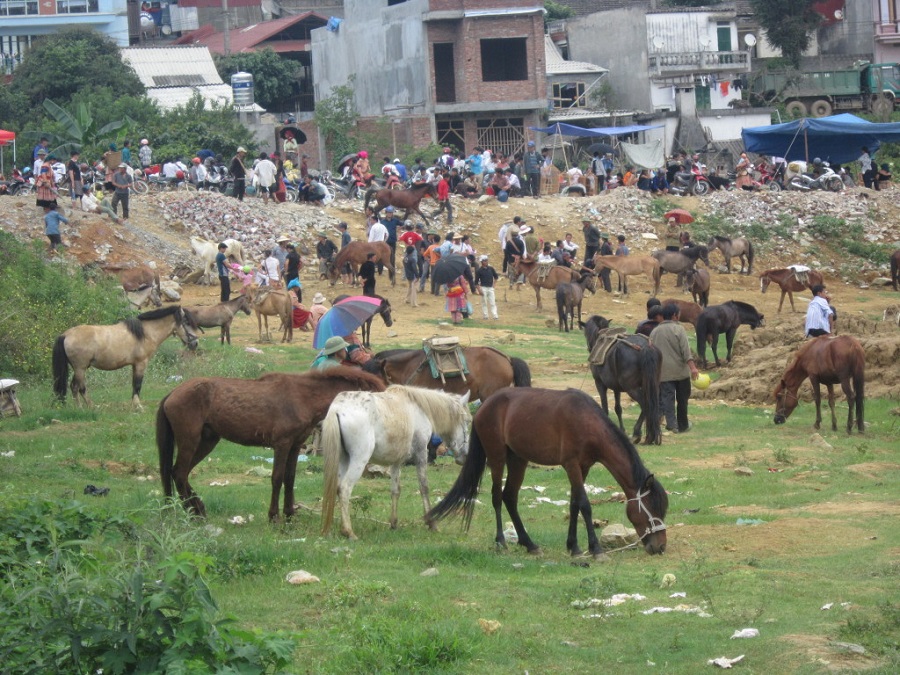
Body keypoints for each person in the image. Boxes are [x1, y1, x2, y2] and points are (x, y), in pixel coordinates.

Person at [650, 303, 700, 433]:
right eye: (678, 314)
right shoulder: (679, 329)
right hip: (680, 372)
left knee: (668, 399)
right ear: (674, 316)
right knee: (683, 399)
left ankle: (672, 424)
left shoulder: (654, 332)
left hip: (663, 373)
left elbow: (651, 352)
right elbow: (686, 351)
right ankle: (683, 424)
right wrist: (693, 368)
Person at [475, 254, 500, 320]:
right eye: (484, 261)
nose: (486, 262)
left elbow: (496, 277)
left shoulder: (491, 269)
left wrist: (494, 285)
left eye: (486, 260)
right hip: (483, 288)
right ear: (482, 262)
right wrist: (479, 290)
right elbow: (476, 282)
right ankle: (485, 315)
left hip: (490, 287)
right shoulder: (479, 271)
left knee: (492, 302)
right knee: (484, 302)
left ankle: (495, 315)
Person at [380, 205, 403, 273]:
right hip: (385, 241)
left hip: (392, 241)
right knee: (382, 256)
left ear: (392, 213)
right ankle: (380, 271)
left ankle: (392, 271)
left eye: (391, 213)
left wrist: (399, 229)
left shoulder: (395, 220)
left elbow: (402, 224)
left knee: (392, 256)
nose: (389, 214)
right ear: (386, 213)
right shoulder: (382, 221)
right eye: (388, 212)